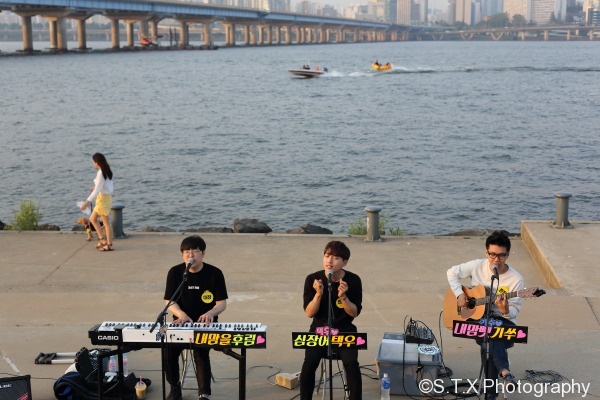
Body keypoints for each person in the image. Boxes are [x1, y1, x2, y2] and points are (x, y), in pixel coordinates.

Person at [446, 230, 522, 400]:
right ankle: (504, 374)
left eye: (501, 255)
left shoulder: (516, 279)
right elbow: (451, 272)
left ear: (508, 255)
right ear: (486, 252)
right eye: (492, 254)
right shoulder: (477, 266)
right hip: (477, 318)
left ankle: (493, 390)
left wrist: (505, 310)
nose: (496, 259)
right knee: (491, 336)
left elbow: (514, 312)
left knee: (491, 338)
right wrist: (460, 294)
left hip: (505, 322)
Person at [163, 235, 228, 400]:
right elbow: (169, 302)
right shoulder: (175, 272)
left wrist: (210, 313)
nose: (190, 255)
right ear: (182, 255)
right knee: (168, 351)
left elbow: (221, 303)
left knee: (201, 352)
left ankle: (204, 394)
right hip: (181, 323)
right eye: (186, 252)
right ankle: (175, 388)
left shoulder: (215, 273)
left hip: (205, 324)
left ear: (203, 253)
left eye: (194, 251)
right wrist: (181, 314)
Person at [300, 241, 363, 400]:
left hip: (344, 330)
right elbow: (309, 313)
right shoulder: (312, 279)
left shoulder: (353, 280)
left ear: (344, 262)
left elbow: (354, 313)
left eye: (335, 258)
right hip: (319, 330)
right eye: (327, 256)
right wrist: (318, 294)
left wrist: (344, 297)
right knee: (309, 362)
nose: (329, 261)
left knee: (351, 363)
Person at [80, 153, 114, 251]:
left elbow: (97, 190)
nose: (93, 163)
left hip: (103, 199)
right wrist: (96, 187)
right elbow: (105, 185)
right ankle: (102, 240)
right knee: (92, 219)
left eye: (93, 161)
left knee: (106, 223)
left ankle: (109, 244)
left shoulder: (100, 173)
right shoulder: (106, 170)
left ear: (96, 163)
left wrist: (86, 202)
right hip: (104, 198)